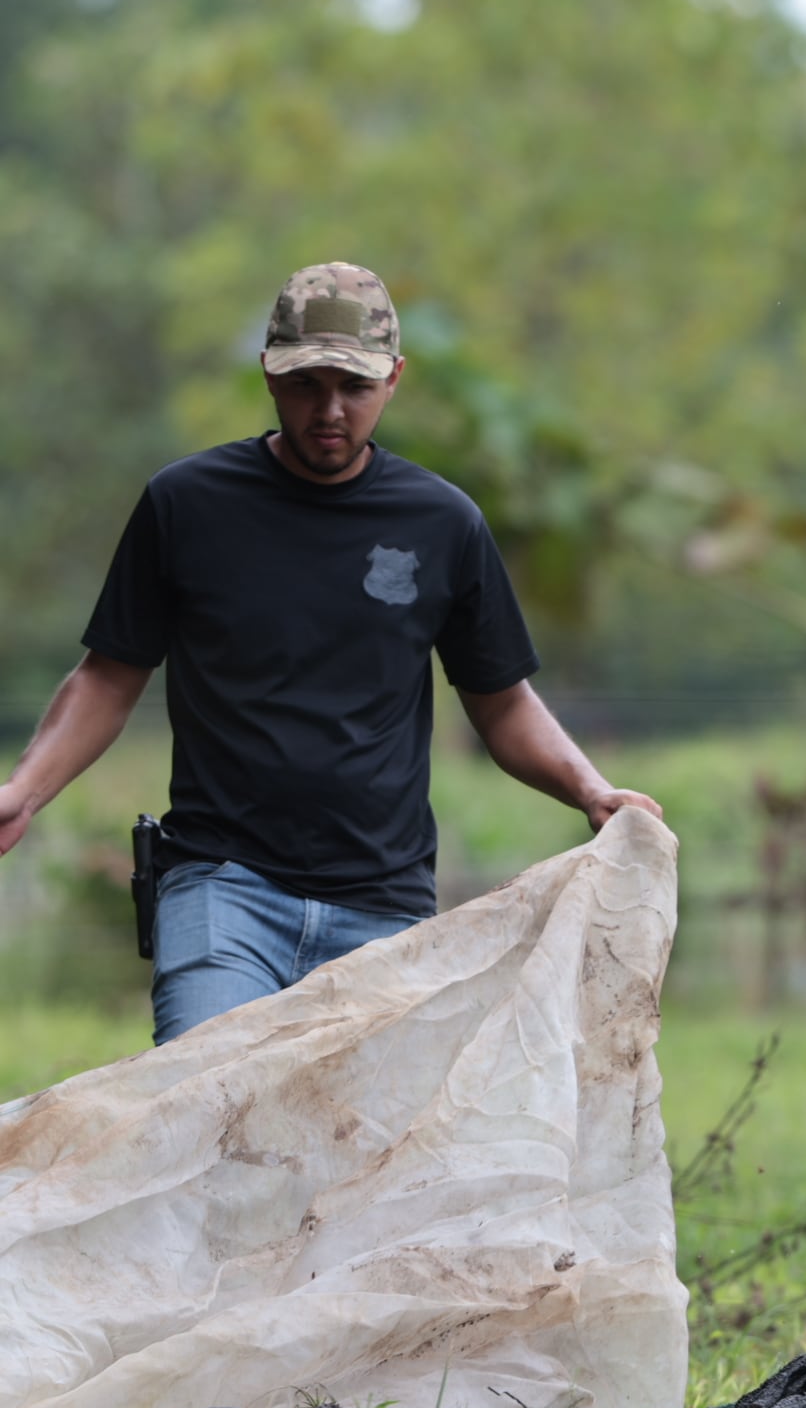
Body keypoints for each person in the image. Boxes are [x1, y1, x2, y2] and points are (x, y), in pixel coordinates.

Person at [0, 262, 661, 1044]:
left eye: (354, 387)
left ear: (394, 380)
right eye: (307, 384)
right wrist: (24, 792)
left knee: (366, 1152)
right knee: (202, 1111)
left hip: (384, 906)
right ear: (271, 377)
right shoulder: (187, 505)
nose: (330, 410)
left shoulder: (442, 523)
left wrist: (591, 790)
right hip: (222, 888)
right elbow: (110, 676)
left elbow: (502, 701)